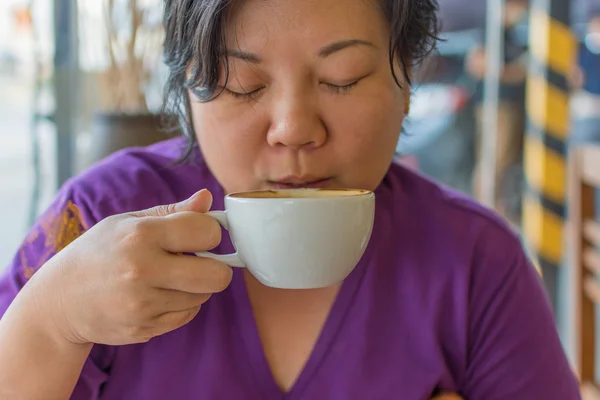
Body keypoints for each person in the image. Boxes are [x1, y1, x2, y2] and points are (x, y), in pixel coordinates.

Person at [0, 0, 580, 398]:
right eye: (242, 83)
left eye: (343, 78)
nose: (294, 128)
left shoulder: (477, 263)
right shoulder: (98, 217)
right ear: (188, 91)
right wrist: (53, 324)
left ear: (407, 81)